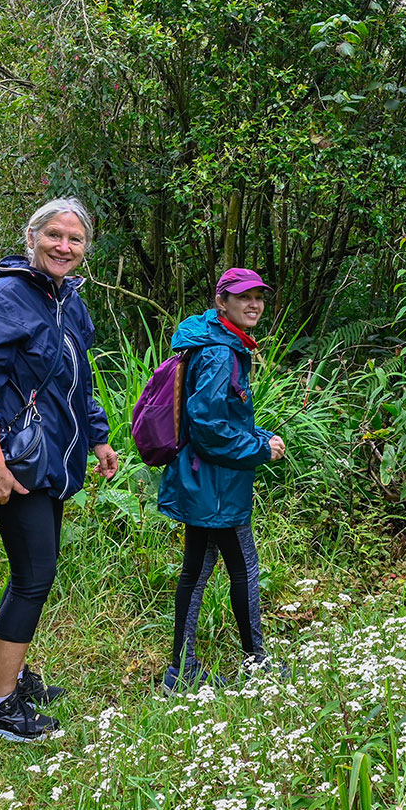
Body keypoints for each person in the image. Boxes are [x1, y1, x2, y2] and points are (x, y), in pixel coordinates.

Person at [0, 198, 120, 741]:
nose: (63, 246)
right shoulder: (3, 298)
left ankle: (15, 677)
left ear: (85, 250)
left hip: (57, 456)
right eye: (54, 235)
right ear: (32, 237)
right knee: (34, 576)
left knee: (34, 574)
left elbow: (78, 380)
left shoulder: (67, 299)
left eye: (75, 240)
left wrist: (97, 439)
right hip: (19, 460)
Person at [156, 268, 285, 694]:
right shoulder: (218, 352)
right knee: (243, 567)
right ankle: (256, 663)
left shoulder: (215, 340)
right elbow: (209, 425)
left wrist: (261, 437)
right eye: (244, 297)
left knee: (196, 570)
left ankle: (181, 668)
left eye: (259, 297)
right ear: (222, 302)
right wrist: (259, 450)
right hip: (215, 481)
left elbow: (220, 417)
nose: (254, 305)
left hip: (202, 475)